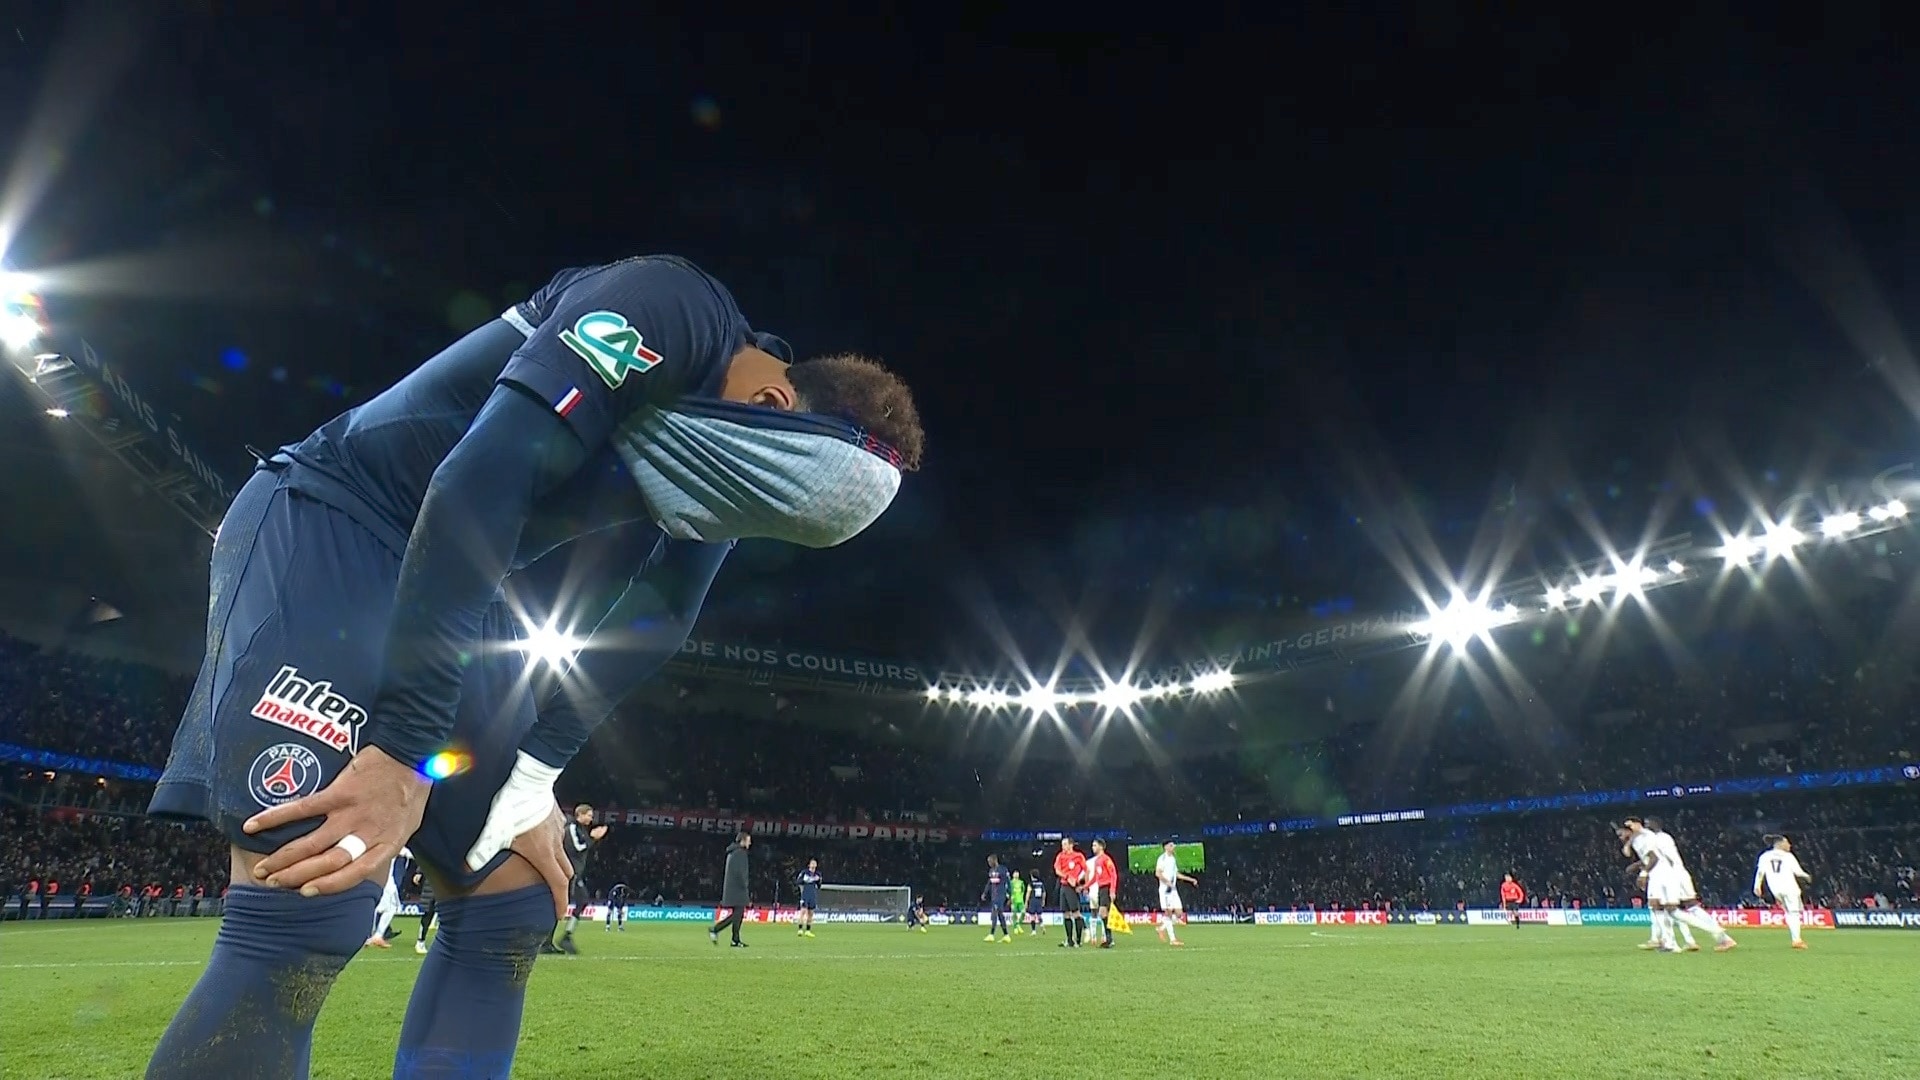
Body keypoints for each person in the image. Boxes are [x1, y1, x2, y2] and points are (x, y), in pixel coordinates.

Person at [143, 254, 925, 1080]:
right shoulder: (670, 304)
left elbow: (659, 617)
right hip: (335, 524)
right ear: (772, 405)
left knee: (513, 899)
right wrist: (404, 752)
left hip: (456, 589)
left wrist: (535, 772)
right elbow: (476, 483)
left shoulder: (737, 445)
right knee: (316, 890)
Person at [550, 804, 608, 955]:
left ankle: (564, 936)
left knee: (579, 901)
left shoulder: (580, 829)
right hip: (567, 873)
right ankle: (554, 939)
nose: (591, 819)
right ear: (580, 814)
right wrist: (593, 838)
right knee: (562, 904)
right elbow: (578, 847)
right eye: (589, 815)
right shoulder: (572, 828)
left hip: (574, 874)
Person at [1754, 835, 1813, 950]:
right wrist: (1807, 876)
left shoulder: (1765, 856)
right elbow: (1798, 872)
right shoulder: (1788, 856)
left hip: (1775, 889)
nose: (1789, 845)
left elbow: (1760, 872)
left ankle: (1795, 937)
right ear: (1780, 844)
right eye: (1787, 842)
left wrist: (1757, 886)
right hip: (1790, 888)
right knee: (1795, 913)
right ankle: (1797, 940)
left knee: (1789, 912)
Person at [366, 847, 416, 948]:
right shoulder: (391, 845)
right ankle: (376, 936)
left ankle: (369, 935)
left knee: (376, 907)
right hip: (386, 882)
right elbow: (408, 853)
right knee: (390, 908)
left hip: (374, 880)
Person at [710, 833, 752, 948]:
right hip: (738, 889)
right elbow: (741, 873)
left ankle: (735, 940)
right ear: (742, 841)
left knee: (738, 914)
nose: (750, 843)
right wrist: (745, 887)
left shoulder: (732, 852)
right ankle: (715, 929)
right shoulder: (741, 853)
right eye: (748, 840)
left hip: (731, 889)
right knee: (738, 914)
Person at [1154, 841, 1196, 946]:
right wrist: (1167, 882)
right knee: (1168, 913)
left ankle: (1161, 928)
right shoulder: (1162, 859)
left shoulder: (1173, 859)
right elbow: (1158, 873)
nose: (1173, 847)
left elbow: (1176, 874)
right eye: (1171, 845)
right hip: (1165, 890)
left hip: (1173, 890)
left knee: (1179, 913)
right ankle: (1173, 939)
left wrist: (1190, 879)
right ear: (1165, 847)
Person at [1052, 838, 1088, 949]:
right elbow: (1057, 870)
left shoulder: (1078, 856)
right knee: (1066, 914)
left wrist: (1082, 885)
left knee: (1076, 913)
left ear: (1071, 845)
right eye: (1062, 844)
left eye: (1065, 844)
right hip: (1063, 886)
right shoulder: (1060, 856)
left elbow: (1086, 870)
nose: (1062, 846)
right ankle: (1069, 940)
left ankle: (1078, 940)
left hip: (1072, 887)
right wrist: (1067, 877)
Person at [1087, 840, 1120, 948]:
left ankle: (1109, 939)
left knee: (1102, 912)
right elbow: (1095, 877)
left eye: (1095, 845)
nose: (1093, 847)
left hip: (1106, 887)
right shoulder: (1097, 861)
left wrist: (1112, 890)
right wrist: (1086, 886)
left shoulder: (1106, 859)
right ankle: (1109, 939)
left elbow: (1113, 874)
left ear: (1101, 847)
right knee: (1103, 914)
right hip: (1101, 888)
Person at [983, 855, 1012, 943]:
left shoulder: (1003, 870)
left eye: (990, 861)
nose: (989, 863)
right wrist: (985, 893)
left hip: (1000, 895)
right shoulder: (991, 871)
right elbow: (989, 883)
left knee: (994, 913)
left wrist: (1010, 896)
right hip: (994, 896)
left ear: (994, 860)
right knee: (1000, 915)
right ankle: (1006, 935)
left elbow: (1008, 883)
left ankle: (991, 935)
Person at [796, 858, 823, 938]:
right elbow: (798, 881)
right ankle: (800, 929)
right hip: (805, 893)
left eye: (815, 863)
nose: (814, 864)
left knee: (811, 913)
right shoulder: (804, 872)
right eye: (812, 863)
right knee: (803, 911)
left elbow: (819, 885)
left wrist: (819, 880)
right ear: (809, 865)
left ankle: (808, 931)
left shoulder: (818, 874)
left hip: (812, 894)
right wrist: (804, 880)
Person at [1009, 870, 1028, 935]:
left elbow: (1023, 890)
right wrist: (1009, 897)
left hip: (1020, 901)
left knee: (1023, 912)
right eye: (1015, 874)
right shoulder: (1011, 883)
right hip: (1014, 901)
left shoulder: (1021, 882)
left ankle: (1018, 924)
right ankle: (1015, 928)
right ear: (1013, 875)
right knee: (1014, 914)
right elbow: (1007, 891)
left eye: (1017, 874)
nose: (1016, 875)